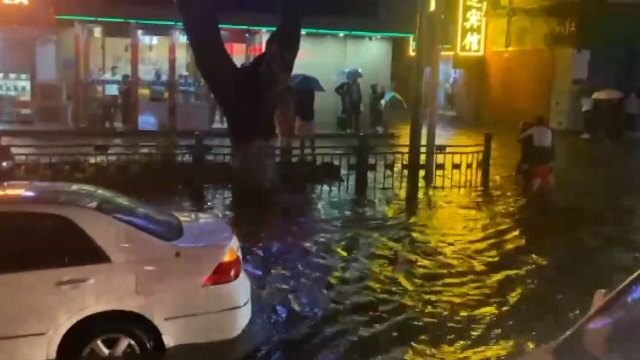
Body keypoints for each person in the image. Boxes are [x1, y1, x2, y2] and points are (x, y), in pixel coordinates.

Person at [275, 86, 296, 162]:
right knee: (288, 141)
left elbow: (278, 116)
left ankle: (283, 160)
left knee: (283, 141)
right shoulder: (291, 104)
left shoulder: (282, 106)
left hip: (284, 124)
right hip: (289, 124)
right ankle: (288, 159)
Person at [295, 88, 316, 158]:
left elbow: (296, 104)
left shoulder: (298, 91)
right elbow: (312, 101)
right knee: (311, 137)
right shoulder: (310, 90)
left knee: (302, 138)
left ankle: (302, 154)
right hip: (310, 116)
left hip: (302, 117)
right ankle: (313, 153)